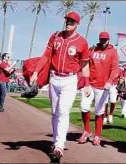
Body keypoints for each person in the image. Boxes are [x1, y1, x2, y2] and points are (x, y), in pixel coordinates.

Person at [30, 11, 91, 160]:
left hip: (70, 80)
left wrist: (87, 84)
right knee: (55, 113)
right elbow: (46, 56)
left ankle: (59, 146)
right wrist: (36, 72)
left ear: (78, 24)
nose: (69, 22)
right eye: (68, 20)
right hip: (54, 78)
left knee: (63, 111)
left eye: (73, 21)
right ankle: (56, 140)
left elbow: (84, 64)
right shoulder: (56, 36)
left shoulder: (82, 42)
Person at [79, 31, 119, 145]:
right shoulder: (93, 50)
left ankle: (97, 135)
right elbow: (86, 65)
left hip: (102, 86)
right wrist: (85, 82)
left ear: (109, 39)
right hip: (90, 84)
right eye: (102, 39)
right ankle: (87, 131)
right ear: (99, 39)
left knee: (99, 111)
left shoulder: (113, 52)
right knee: (84, 107)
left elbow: (115, 69)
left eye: (105, 39)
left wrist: (110, 82)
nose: (103, 41)